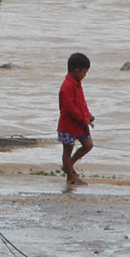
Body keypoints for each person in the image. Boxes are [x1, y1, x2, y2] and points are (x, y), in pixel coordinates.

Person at [58, 52, 95, 186]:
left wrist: (88, 114)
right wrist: (84, 119)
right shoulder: (66, 87)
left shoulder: (77, 83)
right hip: (68, 125)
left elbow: (82, 102)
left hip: (80, 124)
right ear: (76, 71)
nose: (85, 76)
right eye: (84, 73)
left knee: (88, 145)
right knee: (67, 151)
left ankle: (69, 166)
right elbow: (70, 109)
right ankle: (70, 177)